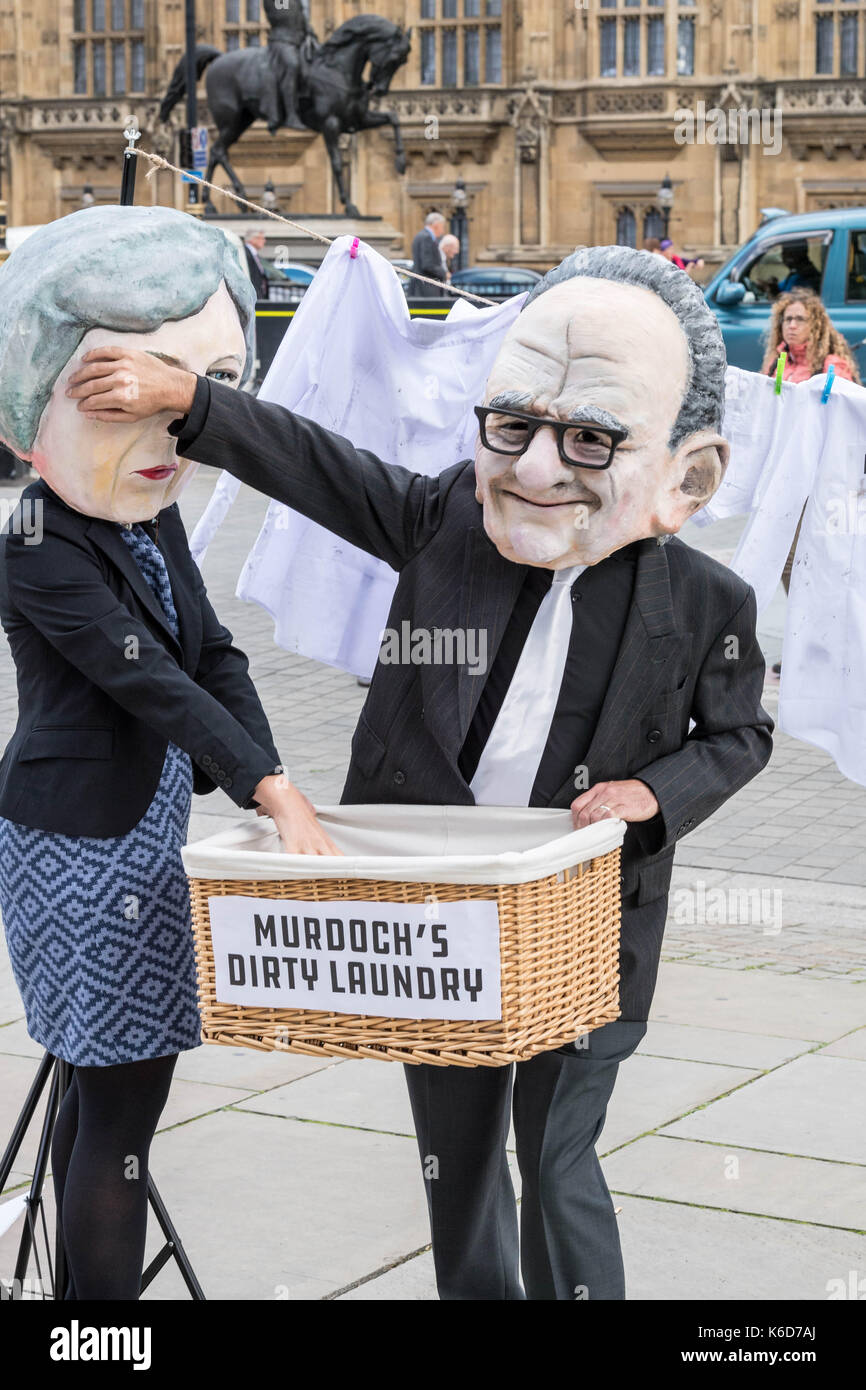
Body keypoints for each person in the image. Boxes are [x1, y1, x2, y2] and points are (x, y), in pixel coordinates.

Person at [67, 244, 773, 1301]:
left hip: (584, 923)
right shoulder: (449, 515)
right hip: (441, 916)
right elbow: (315, 463)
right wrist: (192, 403)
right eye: (514, 424)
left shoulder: (707, 603)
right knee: (457, 1163)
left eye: (587, 438)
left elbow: (740, 735)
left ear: (681, 479)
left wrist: (651, 795)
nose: (535, 467)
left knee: (558, 1154)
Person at [0, 205, 335, 1301]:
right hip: (74, 848)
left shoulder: (147, 510)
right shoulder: (34, 529)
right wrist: (266, 785)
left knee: (109, 1106)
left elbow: (214, 651)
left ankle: (75, 1310)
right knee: (120, 1119)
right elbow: (141, 669)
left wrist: (273, 789)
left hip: (144, 838)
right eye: (118, 394)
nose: (165, 438)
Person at [760, 288, 860, 668]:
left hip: (821, 480)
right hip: (786, 478)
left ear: (815, 323)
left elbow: (840, 420)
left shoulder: (832, 364)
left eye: (800, 318)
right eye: (787, 318)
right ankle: (809, 640)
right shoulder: (777, 363)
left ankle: (826, 642)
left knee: (820, 562)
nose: (792, 325)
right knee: (787, 563)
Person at [260, 0, 313, 134]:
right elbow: (282, 14)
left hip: (299, 40)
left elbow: (300, 17)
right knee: (292, 65)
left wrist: (309, 32)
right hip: (282, 40)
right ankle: (290, 115)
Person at [410, 212, 448, 296]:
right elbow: (428, 265)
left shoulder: (420, 235)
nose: (443, 231)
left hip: (421, 287)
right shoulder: (427, 237)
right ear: (436, 225)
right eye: (442, 226)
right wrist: (444, 273)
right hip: (426, 288)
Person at [243, 228, 271, 300]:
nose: (264, 241)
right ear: (253, 239)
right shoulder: (245, 253)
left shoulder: (254, 254)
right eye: (261, 238)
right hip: (252, 297)